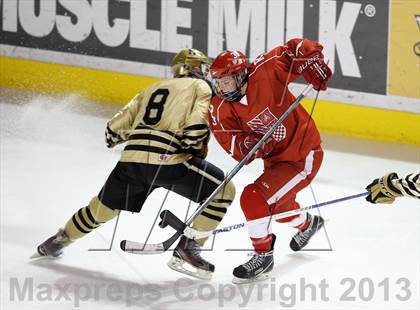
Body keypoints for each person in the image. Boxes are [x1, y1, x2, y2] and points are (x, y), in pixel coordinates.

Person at [34, 48, 236, 280]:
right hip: (170, 160)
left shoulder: (149, 89)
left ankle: (59, 239)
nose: (204, 73)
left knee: (101, 209)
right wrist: (192, 148)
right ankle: (189, 248)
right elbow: (194, 131)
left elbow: (112, 132)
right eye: (201, 67)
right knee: (223, 190)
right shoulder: (201, 87)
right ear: (192, 67)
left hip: (131, 162)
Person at [208, 38, 332, 283]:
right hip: (276, 163)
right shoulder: (220, 107)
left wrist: (311, 59)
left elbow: (294, 48)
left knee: (253, 197)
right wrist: (247, 146)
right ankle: (309, 223)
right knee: (274, 207)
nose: (222, 87)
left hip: (302, 154)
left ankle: (263, 255)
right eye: (218, 82)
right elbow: (231, 143)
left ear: (241, 75)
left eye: (227, 80)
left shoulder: (265, 71)